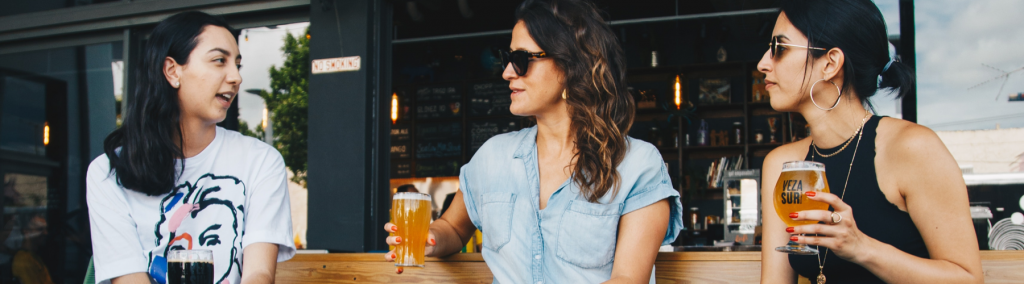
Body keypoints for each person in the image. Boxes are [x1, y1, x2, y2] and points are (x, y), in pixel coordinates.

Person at [384, 0, 683, 282]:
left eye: (521, 59)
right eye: (507, 58)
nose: (507, 72)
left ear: (569, 64)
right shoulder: (493, 157)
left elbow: (628, 280)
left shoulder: (637, 165)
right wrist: (430, 238)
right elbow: (452, 227)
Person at [757, 1, 983, 283]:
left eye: (779, 48)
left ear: (830, 63)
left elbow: (968, 279)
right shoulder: (782, 166)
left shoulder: (912, 147)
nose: (763, 63)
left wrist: (862, 248)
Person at [86, 11, 294, 284]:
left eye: (238, 65)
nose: (236, 77)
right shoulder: (107, 171)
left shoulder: (261, 160)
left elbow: (258, 273)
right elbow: (129, 279)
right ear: (173, 71)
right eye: (220, 61)